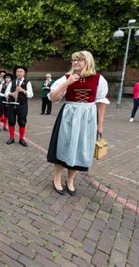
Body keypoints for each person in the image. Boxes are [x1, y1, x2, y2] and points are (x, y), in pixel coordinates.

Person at [47, 51, 109, 196]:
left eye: (80, 60)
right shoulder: (66, 78)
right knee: (64, 145)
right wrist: (67, 83)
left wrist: (100, 125)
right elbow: (53, 98)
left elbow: (101, 103)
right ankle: (57, 178)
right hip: (69, 115)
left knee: (80, 148)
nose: (76, 63)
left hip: (88, 117)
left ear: (88, 62)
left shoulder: (99, 79)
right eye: (74, 60)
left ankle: (70, 180)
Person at [5, 66, 34, 146]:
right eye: (17, 71)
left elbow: (31, 95)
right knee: (11, 121)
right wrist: (11, 94)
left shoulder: (27, 82)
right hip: (12, 104)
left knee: (22, 121)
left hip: (22, 105)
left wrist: (23, 91)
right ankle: (11, 137)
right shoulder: (12, 82)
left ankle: (21, 139)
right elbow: (6, 92)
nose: (19, 73)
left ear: (24, 73)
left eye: (21, 71)